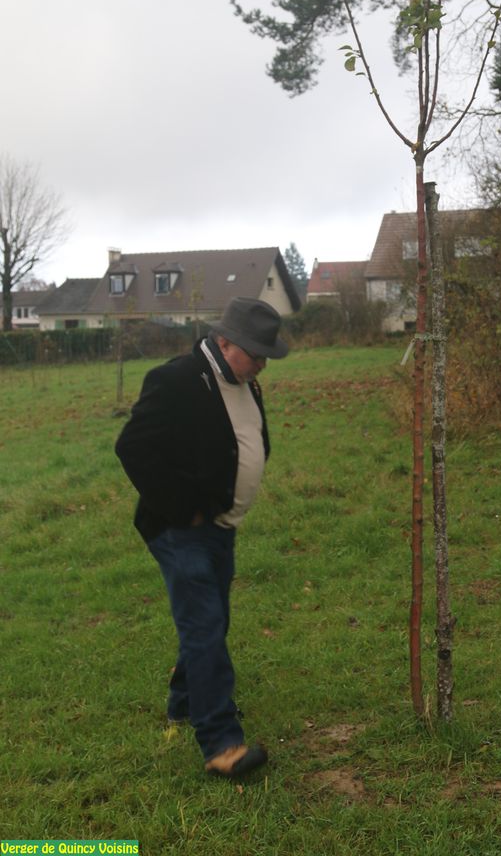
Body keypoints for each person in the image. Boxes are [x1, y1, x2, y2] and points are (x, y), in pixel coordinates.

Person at [115, 297, 288, 779]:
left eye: (267, 355)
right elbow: (132, 447)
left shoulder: (246, 382)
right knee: (206, 624)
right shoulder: (176, 380)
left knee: (212, 620)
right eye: (256, 353)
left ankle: (184, 703)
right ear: (224, 341)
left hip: (220, 526)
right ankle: (220, 743)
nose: (263, 363)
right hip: (180, 529)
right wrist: (184, 509)